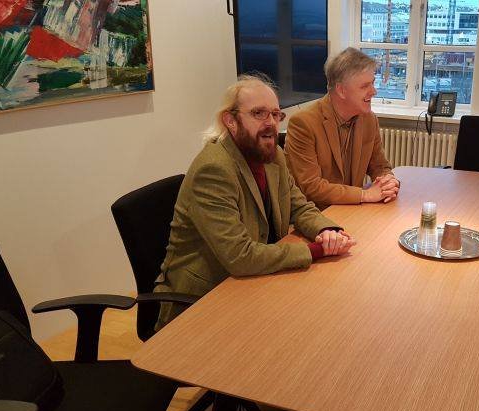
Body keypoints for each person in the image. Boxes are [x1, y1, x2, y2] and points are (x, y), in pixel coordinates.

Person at [154, 74, 356, 327]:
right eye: (258, 113)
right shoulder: (214, 170)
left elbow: (299, 206)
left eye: (276, 114)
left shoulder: (273, 155)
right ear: (231, 121)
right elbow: (240, 257)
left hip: (252, 284)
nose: (270, 123)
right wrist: (316, 250)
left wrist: (326, 231)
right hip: (203, 300)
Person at [284, 47, 400, 209]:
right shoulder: (303, 123)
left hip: (351, 211)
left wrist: (388, 181)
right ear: (341, 90)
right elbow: (311, 187)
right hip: (317, 215)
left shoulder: (369, 120)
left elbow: (379, 166)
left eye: (373, 83)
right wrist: (365, 195)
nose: (374, 91)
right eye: (365, 86)